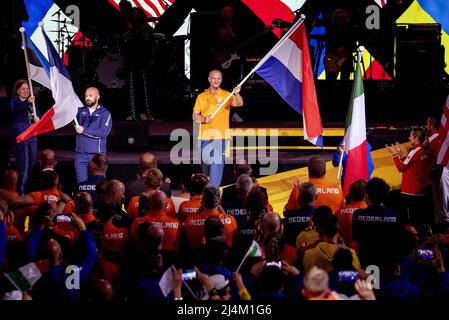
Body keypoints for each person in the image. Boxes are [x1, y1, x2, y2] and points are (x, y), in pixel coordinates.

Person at [192, 69, 243, 187]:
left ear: (221, 80)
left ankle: (213, 195)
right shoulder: (201, 96)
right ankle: (206, 194)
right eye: (214, 78)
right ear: (209, 79)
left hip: (220, 137)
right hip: (204, 137)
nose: (216, 81)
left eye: (219, 78)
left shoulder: (226, 95)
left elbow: (239, 103)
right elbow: (194, 114)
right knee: (205, 170)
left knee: (216, 168)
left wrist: (237, 93)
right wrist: (204, 119)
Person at [386, 128, 432, 227]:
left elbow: (401, 168)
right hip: (419, 193)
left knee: (409, 224)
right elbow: (410, 166)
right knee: (417, 222)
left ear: (416, 139)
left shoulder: (415, 150)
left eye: (411, 136)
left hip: (410, 194)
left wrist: (394, 154)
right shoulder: (422, 150)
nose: (408, 137)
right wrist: (401, 155)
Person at [74, 87, 112, 184]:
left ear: (98, 97)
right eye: (86, 95)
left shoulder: (105, 113)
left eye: (91, 96)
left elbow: (102, 132)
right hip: (80, 155)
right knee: (82, 187)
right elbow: (68, 117)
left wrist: (84, 130)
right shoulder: (79, 111)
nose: (88, 98)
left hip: (97, 156)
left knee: (98, 187)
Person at [10, 79, 40, 194]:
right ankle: (21, 192)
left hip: (32, 137)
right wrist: (28, 102)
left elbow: (38, 114)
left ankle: (26, 190)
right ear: (17, 91)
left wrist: (38, 119)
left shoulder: (31, 103)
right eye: (23, 89)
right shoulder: (14, 102)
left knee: (31, 163)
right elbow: (20, 109)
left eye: (27, 89)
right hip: (21, 137)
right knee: (24, 165)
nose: (26, 91)